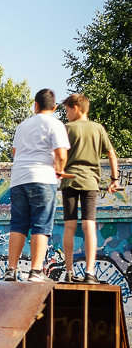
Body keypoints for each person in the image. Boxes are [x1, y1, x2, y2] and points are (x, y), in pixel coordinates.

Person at [3, 88, 70, 283]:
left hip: (19, 179)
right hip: (42, 178)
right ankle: (35, 271)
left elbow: (15, 152)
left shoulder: (23, 125)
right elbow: (61, 154)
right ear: (55, 107)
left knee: (18, 224)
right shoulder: (55, 124)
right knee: (41, 224)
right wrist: (60, 169)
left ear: (36, 105)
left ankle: (11, 269)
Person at [61, 93, 119, 284]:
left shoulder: (66, 128)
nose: (67, 114)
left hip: (69, 181)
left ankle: (69, 271)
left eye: (67, 110)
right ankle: (90, 272)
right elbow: (111, 153)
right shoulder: (98, 128)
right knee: (89, 226)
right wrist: (114, 179)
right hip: (90, 182)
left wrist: (58, 170)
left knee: (69, 227)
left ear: (76, 107)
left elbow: (59, 155)